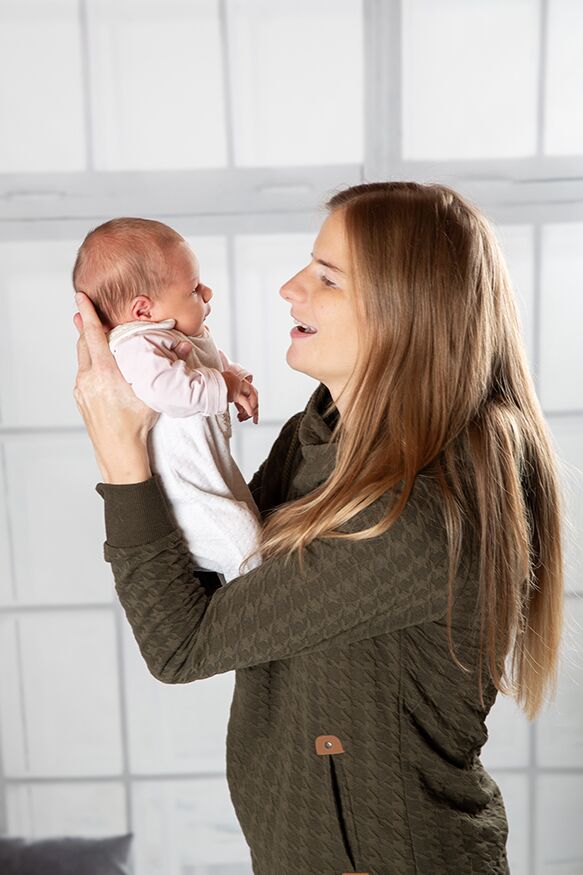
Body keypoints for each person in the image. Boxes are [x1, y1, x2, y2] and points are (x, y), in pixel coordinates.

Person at [73, 181, 565, 875]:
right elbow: (214, 567)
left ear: (405, 311)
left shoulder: (416, 515)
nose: (288, 287)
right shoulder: (323, 431)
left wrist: (122, 458)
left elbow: (181, 642)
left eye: (325, 278)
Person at [72, 218, 262, 582]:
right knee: (245, 543)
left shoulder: (163, 333)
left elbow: (203, 361)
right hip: (183, 495)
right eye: (193, 289)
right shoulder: (134, 345)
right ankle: (262, 604)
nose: (207, 293)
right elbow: (169, 391)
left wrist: (234, 377)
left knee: (249, 524)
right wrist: (227, 385)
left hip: (209, 474)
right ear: (143, 311)